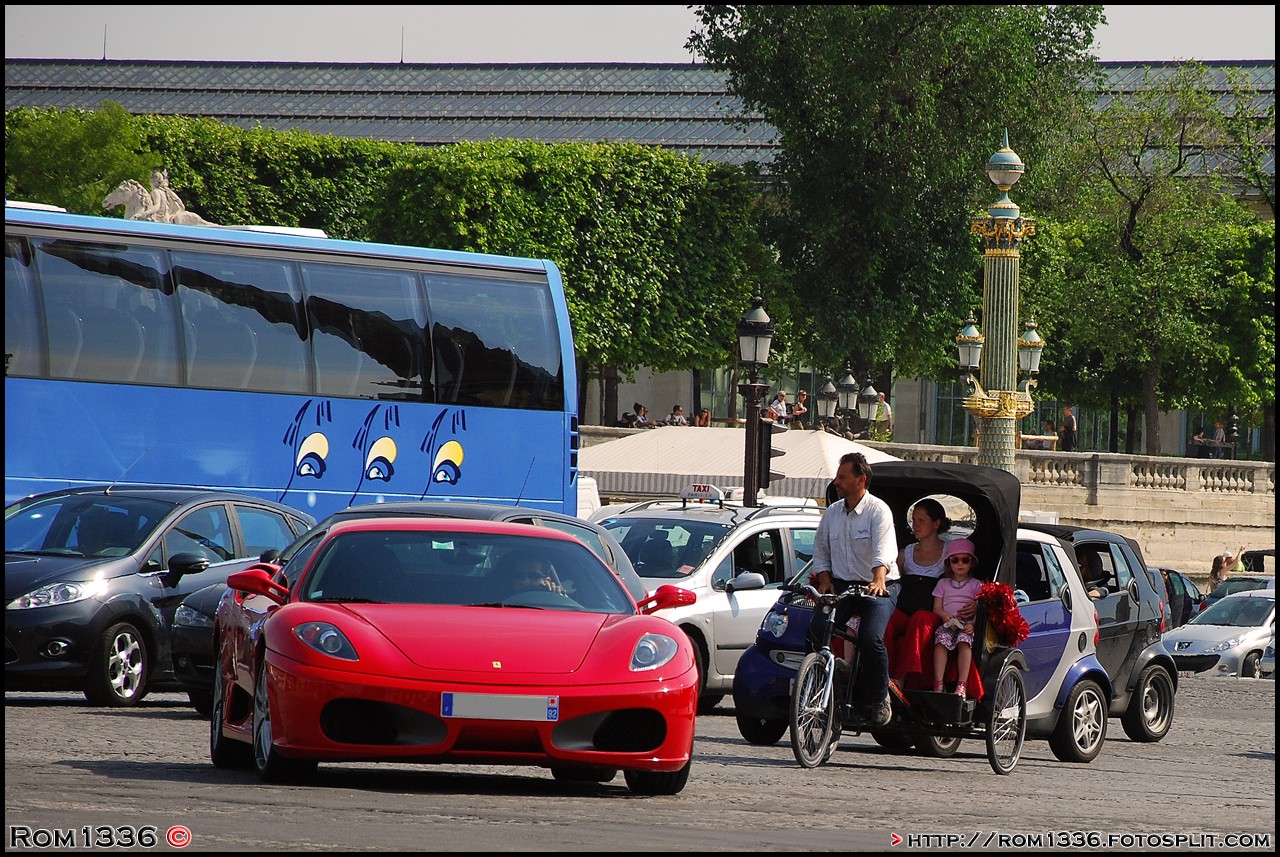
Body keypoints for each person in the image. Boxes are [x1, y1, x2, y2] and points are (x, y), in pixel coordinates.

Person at [808, 452, 899, 727]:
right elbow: (821, 551)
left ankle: (880, 696)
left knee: (871, 638)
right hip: (845, 583)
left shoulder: (878, 510)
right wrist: (824, 580)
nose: (837, 481)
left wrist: (878, 578)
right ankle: (824, 688)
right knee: (815, 632)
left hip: (881, 583)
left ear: (861, 480)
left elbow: (884, 551)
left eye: (843, 477)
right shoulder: (832, 513)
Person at [931, 539, 982, 697]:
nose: (960, 564)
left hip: (966, 625)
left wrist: (973, 624)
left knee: (964, 642)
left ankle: (962, 684)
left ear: (971, 563)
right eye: (955, 560)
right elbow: (937, 608)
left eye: (965, 560)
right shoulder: (943, 583)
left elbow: (980, 609)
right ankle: (938, 683)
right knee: (940, 642)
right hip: (948, 624)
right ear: (949, 563)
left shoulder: (976, 584)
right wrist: (945, 616)